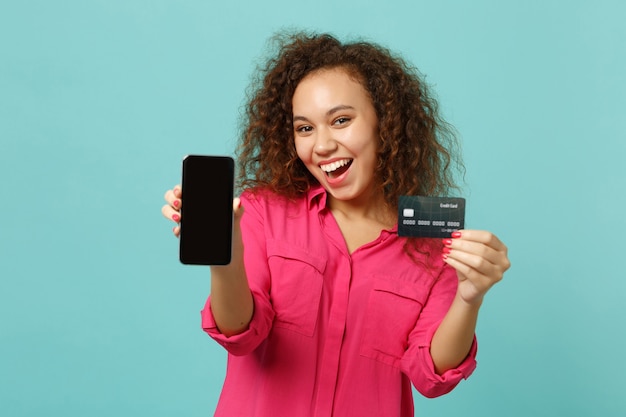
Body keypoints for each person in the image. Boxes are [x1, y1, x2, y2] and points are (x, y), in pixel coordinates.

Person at [161, 32, 510, 417]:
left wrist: (469, 297)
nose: (322, 145)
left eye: (341, 120)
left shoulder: (433, 243)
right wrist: (223, 254)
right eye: (304, 128)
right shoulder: (261, 212)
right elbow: (239, 334)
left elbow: (432, 376)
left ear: (386, 122)